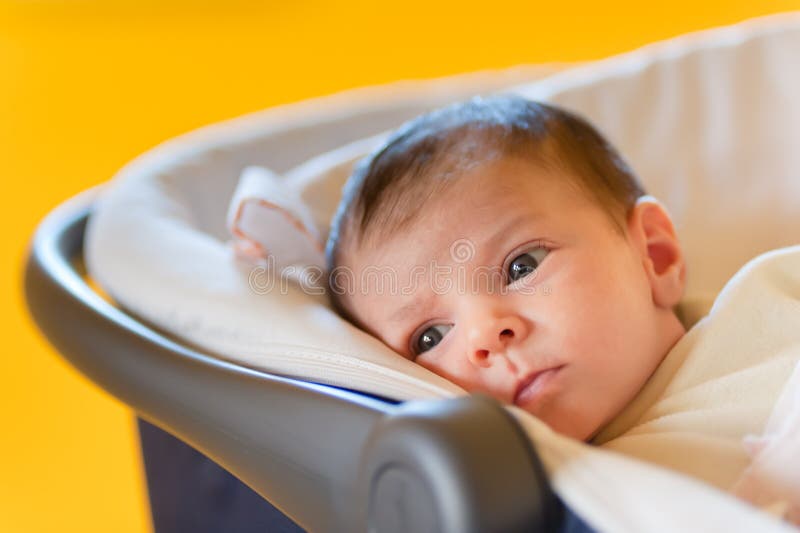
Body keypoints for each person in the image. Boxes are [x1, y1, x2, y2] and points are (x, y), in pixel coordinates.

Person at [323, 94, 687, 442]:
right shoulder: (505, 497)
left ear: (655, 255)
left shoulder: (741, 325)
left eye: (521, 266)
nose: (484, 335)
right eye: (429, 337)